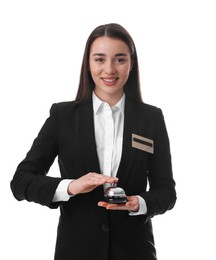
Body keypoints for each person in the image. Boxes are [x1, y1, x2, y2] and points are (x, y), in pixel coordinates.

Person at [10, 23, 177, 260]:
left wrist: (137, 203)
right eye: (100, 59)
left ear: (132, 63)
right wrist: (70, 187)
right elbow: (21, 182)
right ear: (88, 64)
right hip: (76, 251)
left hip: (135, 251)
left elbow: (166, 192)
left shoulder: (151, 118)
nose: (109, 69)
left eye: (119, 59)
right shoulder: (63, 116)